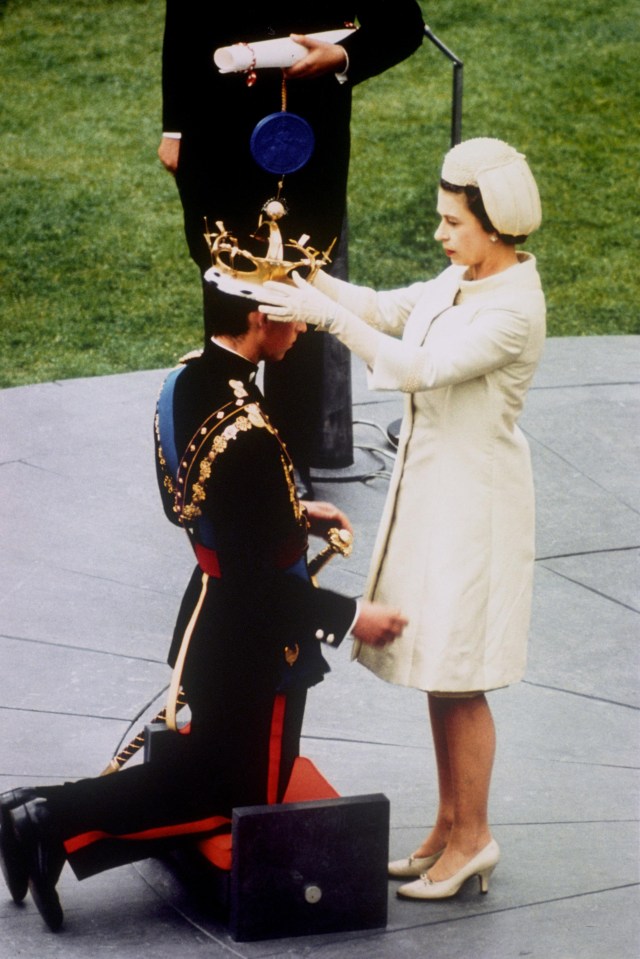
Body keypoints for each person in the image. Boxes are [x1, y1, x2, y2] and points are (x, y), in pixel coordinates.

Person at [0, 280, 407, 932]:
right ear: (256, 319)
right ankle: (48, 817)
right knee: (240, 792)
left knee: (210, 768)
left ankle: (39, 815)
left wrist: (292, 516)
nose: (300, 332)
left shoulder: (185, 383)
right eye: (292, 320)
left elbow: (211, 509)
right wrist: (354, 616)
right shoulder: (247, 427)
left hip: (209, 618)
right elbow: (263, 584)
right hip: (258, 642)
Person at [258, 137, 546, 900]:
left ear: (493, 226)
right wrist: (313, 280)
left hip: (476, 503)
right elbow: (389, 310)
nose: (441, 235)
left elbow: (415, 368)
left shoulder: (514, 308)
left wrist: (316, 312)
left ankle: (475, 836)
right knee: (438, 672)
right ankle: (449, 828)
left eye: (453, 222)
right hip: (436, 490)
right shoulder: (465, 276)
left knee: (462, 673)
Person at [157, 3, 425, 494]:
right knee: (227, 291)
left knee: (301, 298)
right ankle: (220, 451)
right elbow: (185, 18)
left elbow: (402, 25)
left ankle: (288, 465)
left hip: (307, 139)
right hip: (216, 133)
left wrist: (342, 58)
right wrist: (174, 126)